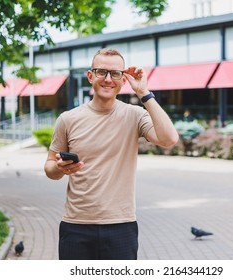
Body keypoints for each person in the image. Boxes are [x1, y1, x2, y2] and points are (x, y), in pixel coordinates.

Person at [44, 48, 179, 260]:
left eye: (115, 73)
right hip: (76, 225)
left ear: (123, 79)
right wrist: (59, 168)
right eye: (101, 72)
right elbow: (49, 167)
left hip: (121, 226)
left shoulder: (135, 115)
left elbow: (169, 139)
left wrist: (144, 93)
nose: (108, 79)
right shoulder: (68, 119)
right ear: (90, 76)